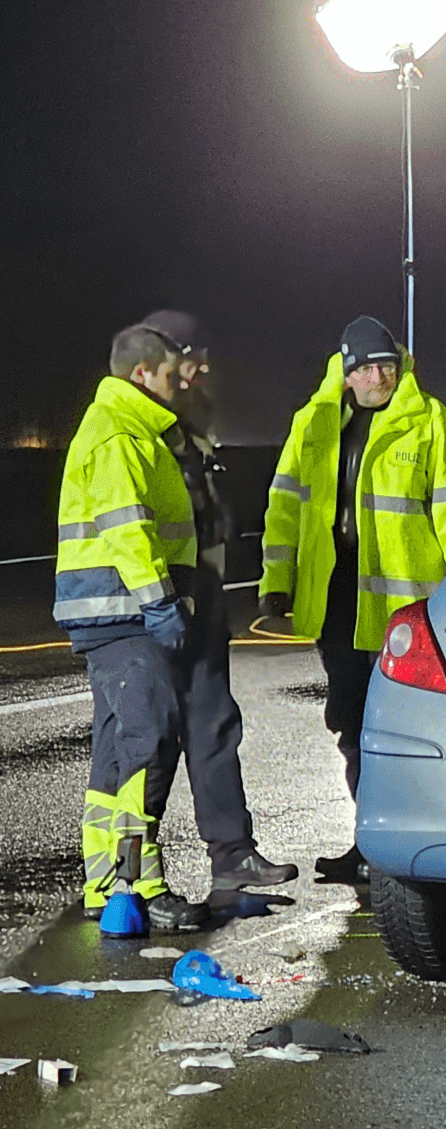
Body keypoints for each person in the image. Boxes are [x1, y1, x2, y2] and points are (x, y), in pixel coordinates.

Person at [258, 316, 446, 883]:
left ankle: (419, 846)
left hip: (406, 612)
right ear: (346, 369)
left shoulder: (431, 421)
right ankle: (369, 844)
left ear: (398, 364)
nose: (375, 375)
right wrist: (275, 580)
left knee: (410, 729)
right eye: (363, 366)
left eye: (385, 364)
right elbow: (285, 504)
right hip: (336, 605)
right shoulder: (313, 424)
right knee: (351, 723)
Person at [132, 311, 298, 896]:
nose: (202, 369)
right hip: (156, 603)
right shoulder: (137, 430)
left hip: (201, 599)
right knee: (148, 739)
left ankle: (232, 855)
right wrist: (157, 600)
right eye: (190, 358)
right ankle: (123, 872)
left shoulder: (190, 433)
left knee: (214, 725)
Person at [53, 324, 212, 931]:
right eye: (171, 374)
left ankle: (105, 882)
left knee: (116, 752)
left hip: (114, 613)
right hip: (124, 612)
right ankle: (137, 882)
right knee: (147, 743)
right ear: (142, 373)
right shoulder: (119, 435)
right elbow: (129, 530)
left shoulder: (126, 429)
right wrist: (160, 603)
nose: (180, 384)